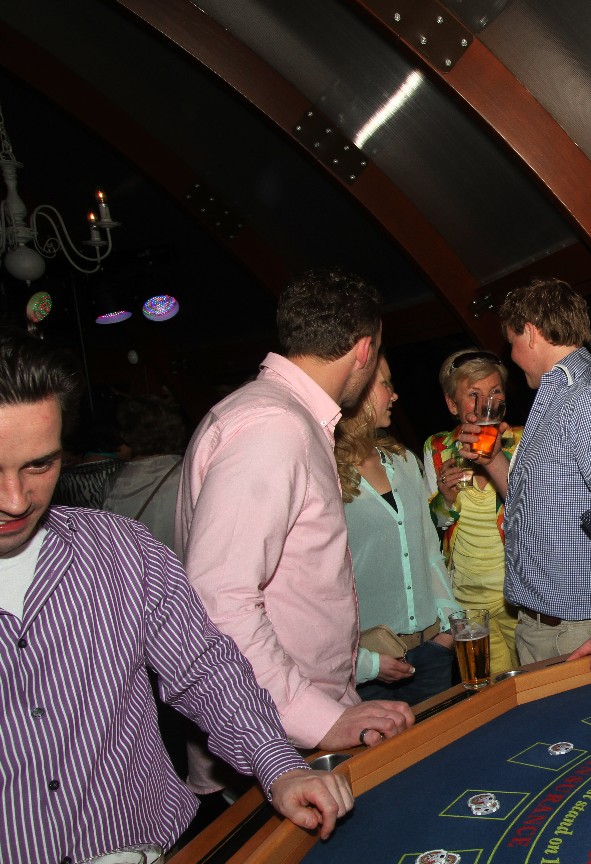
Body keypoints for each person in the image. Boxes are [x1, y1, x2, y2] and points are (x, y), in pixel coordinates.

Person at [0, 329, 353, 862]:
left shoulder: (121, 550)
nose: (15, 499)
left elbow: (205, 668)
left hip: (159, 848)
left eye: (39, 465)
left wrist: (279, 765)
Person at [176, 267, 414, 760]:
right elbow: (219, 600)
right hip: (281, 734)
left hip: (299, 720)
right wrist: (319, 719)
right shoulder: (274, 426)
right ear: (364, 351)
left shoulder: (279, 414)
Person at [482, 278, 591, 679]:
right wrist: (491, 461)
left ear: (530, 332)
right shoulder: (554, 399)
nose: (512, 356)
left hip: (573, 635)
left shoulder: (589, 397)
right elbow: (531, 506)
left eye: (511, 342)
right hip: (541, 628)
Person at [336, 353, 461, 705]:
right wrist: (364, 664)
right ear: (357, 390)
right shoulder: (324, 472)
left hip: (432, 652)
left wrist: (450, 625)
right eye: (385, 384)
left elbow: (428, 551)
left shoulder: (403, 460)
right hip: (368, 670)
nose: (394, 395)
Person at [425, 348, 522, 677]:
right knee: (490, 691)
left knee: (532, 683)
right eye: (473, 394)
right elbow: (433, 525)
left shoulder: (521, 442)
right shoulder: (437, 448)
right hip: (467, 600)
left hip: (518, 594)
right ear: (452, 404)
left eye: (495, 391)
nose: (485, 404)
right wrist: (445, 500)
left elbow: (539, 516)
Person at [102, 394, 188, 551]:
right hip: (181, 562)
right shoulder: (187, 471)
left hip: (138, 563)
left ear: (127, 434)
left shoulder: (116, 481)